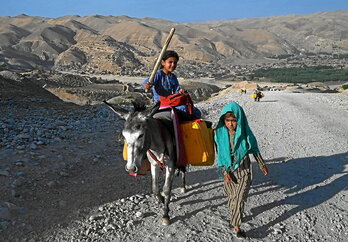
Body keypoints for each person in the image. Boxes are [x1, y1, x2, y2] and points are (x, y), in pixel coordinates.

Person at [214, 102, 269, 239]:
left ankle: (236, 227)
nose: (231, 124)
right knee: (232, 198)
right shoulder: (219, 134)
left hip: (244, 170)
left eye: (234, 120)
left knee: (239, 199)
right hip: (229, 171)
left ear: (239, 119)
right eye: (227, 121)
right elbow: (220, 155)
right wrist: (225, 173)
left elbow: (254, 149)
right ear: (223, 120)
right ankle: (236, 215)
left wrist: (262, 165)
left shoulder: (245, 133)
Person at [142, 50, 201, 121]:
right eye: (170, 62)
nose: (173, 65)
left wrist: (180, 91)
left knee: (196, 111)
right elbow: (146, 83)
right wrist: (147, 85)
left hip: (170, 101)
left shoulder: (173, 77)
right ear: (163, 62)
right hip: (160, 103)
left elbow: (176, 90)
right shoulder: (158, 74)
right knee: (183, 109)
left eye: (175, 63)